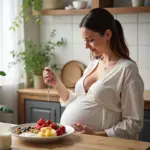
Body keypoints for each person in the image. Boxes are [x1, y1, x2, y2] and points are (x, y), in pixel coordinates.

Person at [43, 8, 144, 140]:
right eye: (84, 40)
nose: (86, 46)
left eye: (90, 39)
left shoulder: (127, 69)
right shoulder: (93, 64)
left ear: (108, 34)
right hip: (78, 142)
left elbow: (134, 123)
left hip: (103, 144)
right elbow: (78, 101)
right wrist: (56, 83)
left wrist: (96, 135)